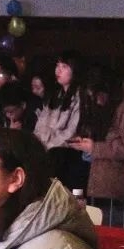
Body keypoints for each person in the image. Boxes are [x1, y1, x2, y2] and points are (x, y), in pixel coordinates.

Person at [66, 65, 124, 226]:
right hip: (104, 174)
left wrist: (94, 148)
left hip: (121, 178)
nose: (96, 101)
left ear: (106, 89)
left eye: (97, 95)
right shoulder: (112, 104)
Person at [34, 51, 87, 190]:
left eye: (64, 66)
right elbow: (40, 125)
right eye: (57, 65)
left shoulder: (81, 96)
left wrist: (48, 146)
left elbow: (72, 132)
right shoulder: (55, 95)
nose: (58, 70)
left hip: (66, 152)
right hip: (47, 149)